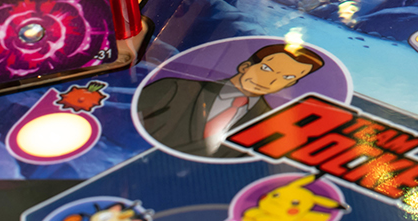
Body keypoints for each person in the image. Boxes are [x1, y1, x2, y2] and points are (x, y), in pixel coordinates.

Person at [137, 43, 326, 158]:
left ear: (290, 84)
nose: (270, 81)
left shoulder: (271, 125)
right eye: (266, 69)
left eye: (286, 78)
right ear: (245, 66)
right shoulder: (174, 87)